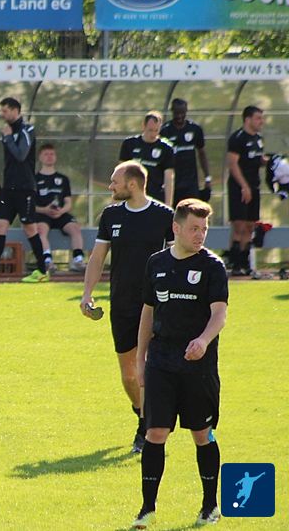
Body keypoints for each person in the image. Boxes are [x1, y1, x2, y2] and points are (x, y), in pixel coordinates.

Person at [132, 198, 227, 529]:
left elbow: (219, 314)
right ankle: (147, 510)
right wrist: (140, 359)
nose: (200, 235)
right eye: (194, 228)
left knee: (202, 433)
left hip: (198, 365)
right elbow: (147, 312)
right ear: (176, 228)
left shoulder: (212, 266)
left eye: (204, 229)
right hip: (161, 361)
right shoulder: (156, 263)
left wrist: (203, 340)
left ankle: (210, 506)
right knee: (155, 432)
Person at [80, 161, 174, 454]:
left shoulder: (164, 216)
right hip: (121, 304)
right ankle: (141, 412)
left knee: (149, 368)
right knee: (129, 374)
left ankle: (146, 427)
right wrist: (87, 294)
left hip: (155, 305)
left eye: (114, 181)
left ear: (132, 184)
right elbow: (97, 257)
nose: (111, 186)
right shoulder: (111, 215)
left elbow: (178, 257)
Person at [0, 97, 49, 283]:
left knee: (30, 228)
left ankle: (42, 271)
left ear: (15, 110)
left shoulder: (27, 130)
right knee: (0, 225)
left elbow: (21, 155)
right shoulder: (8, 131)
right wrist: (6, 137)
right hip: (9, 189)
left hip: (25, 189)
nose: (2, 114)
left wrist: (7, 138)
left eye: (5, 111)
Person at [32, 144, 86, 272]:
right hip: (42, 213)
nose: (49, 157)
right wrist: (45, 210)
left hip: (60, 213)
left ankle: (78, 259)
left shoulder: (63, 179)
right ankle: (47, 260)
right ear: (40, 157)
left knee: (75, 228)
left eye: (52, 154)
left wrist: (61, 211)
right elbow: (30, 205)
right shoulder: (34, 179)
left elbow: (68, 202)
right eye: (46, 154)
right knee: (40, 230)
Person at [226, 105, 266, 276]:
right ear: (247, 119)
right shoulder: (237, 138)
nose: (261, 121)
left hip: (254, 186)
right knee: (239, 225)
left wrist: (272, 162)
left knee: (250, 226)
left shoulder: (258, 138)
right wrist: (244, 186)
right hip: (239, 188)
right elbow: (233, 164)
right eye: (258, 118)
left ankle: (245, 263)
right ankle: (235, 264)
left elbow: (258, 159)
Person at [160, 98, 212, 206]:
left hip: (191, 184)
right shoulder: (165, 131)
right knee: (172, 212)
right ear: (172, 111)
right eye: (177, 113)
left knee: (192, 210)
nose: (179, 116)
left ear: (186, 111)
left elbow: (202, 153)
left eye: (182, 113)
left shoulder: (195, 129)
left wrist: (207, 178)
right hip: (172, 183)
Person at [120, 111, 176, 204]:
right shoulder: (129, 144)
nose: (153, 134)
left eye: (156, 130)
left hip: (156, 197)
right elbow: (121, 173)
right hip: (133, 196)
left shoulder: (166, 148)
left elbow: (169, 178)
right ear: (143, 126)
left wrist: (168, 205)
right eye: (150, 130)